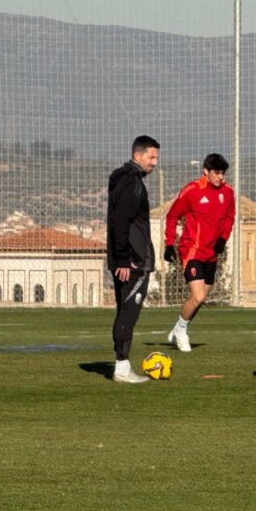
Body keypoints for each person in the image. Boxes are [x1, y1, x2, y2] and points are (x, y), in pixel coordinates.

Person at [163, 153, 236, 352]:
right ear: (206, 171)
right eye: (217, 173)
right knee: (198, 296)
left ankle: (178, 328)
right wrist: (169, 244)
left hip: (211, 254)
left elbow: (230, 217)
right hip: (191, 251)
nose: (221, 177)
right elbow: (172, 217)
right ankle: (181, 331)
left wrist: (223, 238)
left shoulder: (228, 192)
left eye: (223, 173)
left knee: (201, 298)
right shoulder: (192, 190)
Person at [106, 135, 160, 383]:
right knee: (128, 313)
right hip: (134, 263)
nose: (155, 162)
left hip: (123, 259)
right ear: (137, 155)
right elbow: (121, 223)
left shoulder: (121, 178)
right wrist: (127, 260)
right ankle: (122, 368)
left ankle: (121, 364)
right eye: (152, 157)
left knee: (123, 312)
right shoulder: (132, 184)